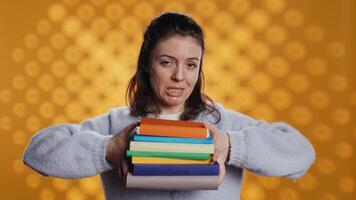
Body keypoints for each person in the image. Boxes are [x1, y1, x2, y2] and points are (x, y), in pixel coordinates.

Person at [23, 12, 315, 199]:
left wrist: (233, 146)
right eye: (166, 63)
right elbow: (37, 153)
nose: (179, 77)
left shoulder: (225, 125)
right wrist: (107, 149)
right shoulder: (114, 126)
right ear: (147, 65)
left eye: (191, 65)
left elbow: (301, 153)